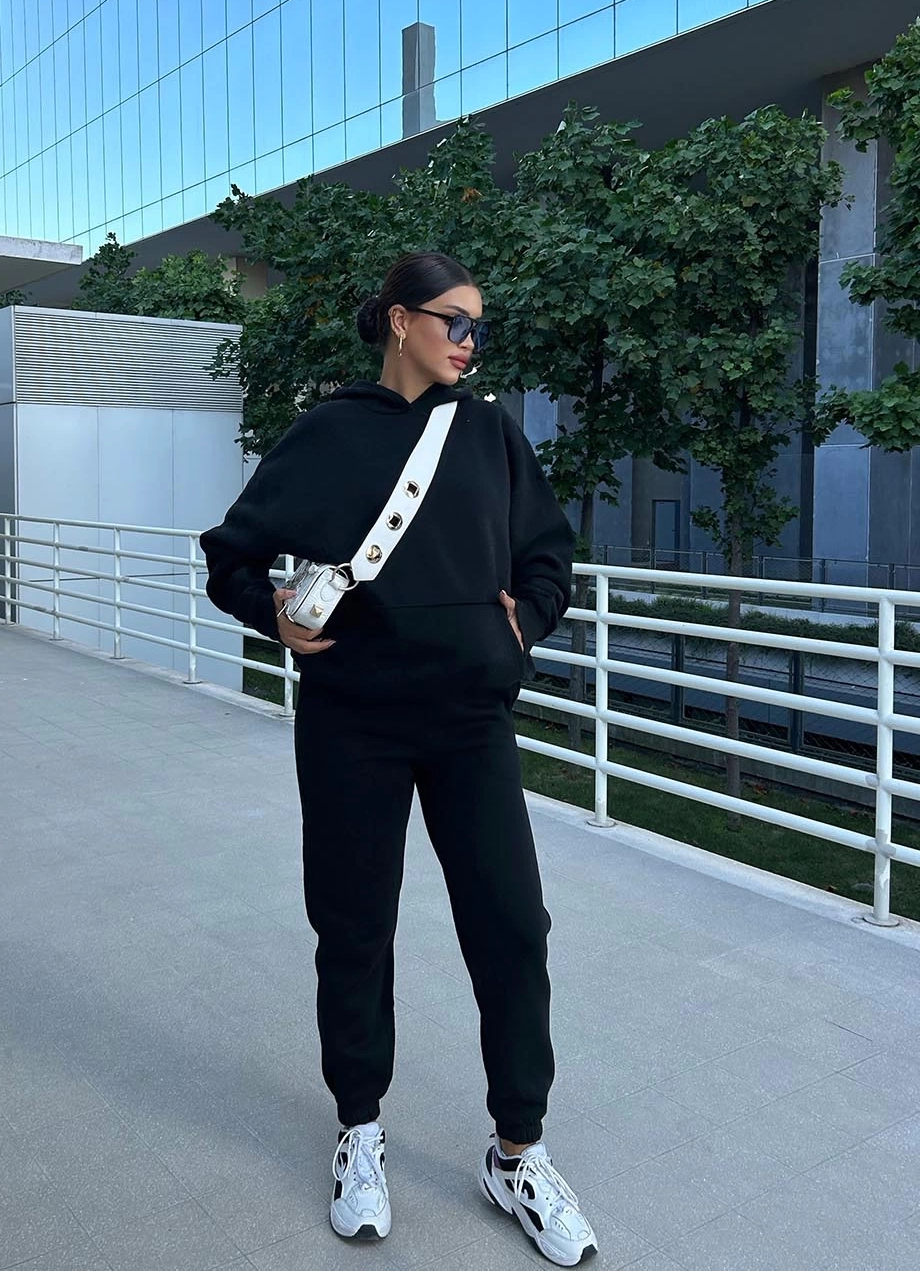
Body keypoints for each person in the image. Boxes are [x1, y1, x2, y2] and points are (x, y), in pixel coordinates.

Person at [200, 252, 597, 1267]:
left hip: (470, 722)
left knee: (514, 928)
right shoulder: (327, 434)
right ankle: (359, 1129)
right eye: (453, 321)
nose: (469, 341)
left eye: (478, 326)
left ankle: (517, 1153)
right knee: (353, 928)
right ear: (398, 322)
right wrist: (272, 615)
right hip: (353, 722)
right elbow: (229, 554)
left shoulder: (491, 434)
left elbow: (549, 555)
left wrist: (523, 624)